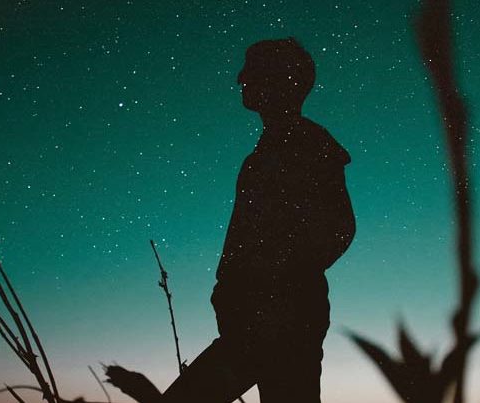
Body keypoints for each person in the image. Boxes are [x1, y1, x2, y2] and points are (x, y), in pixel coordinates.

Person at [107, 37, 356, 403]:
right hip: (261, 320)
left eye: (253, 71)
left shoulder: (307, 145)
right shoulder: (268, 153)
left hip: (279, 321)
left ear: (278, 81)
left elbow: (338, 228)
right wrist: (236, 291)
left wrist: (271, 280)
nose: (241, 79)